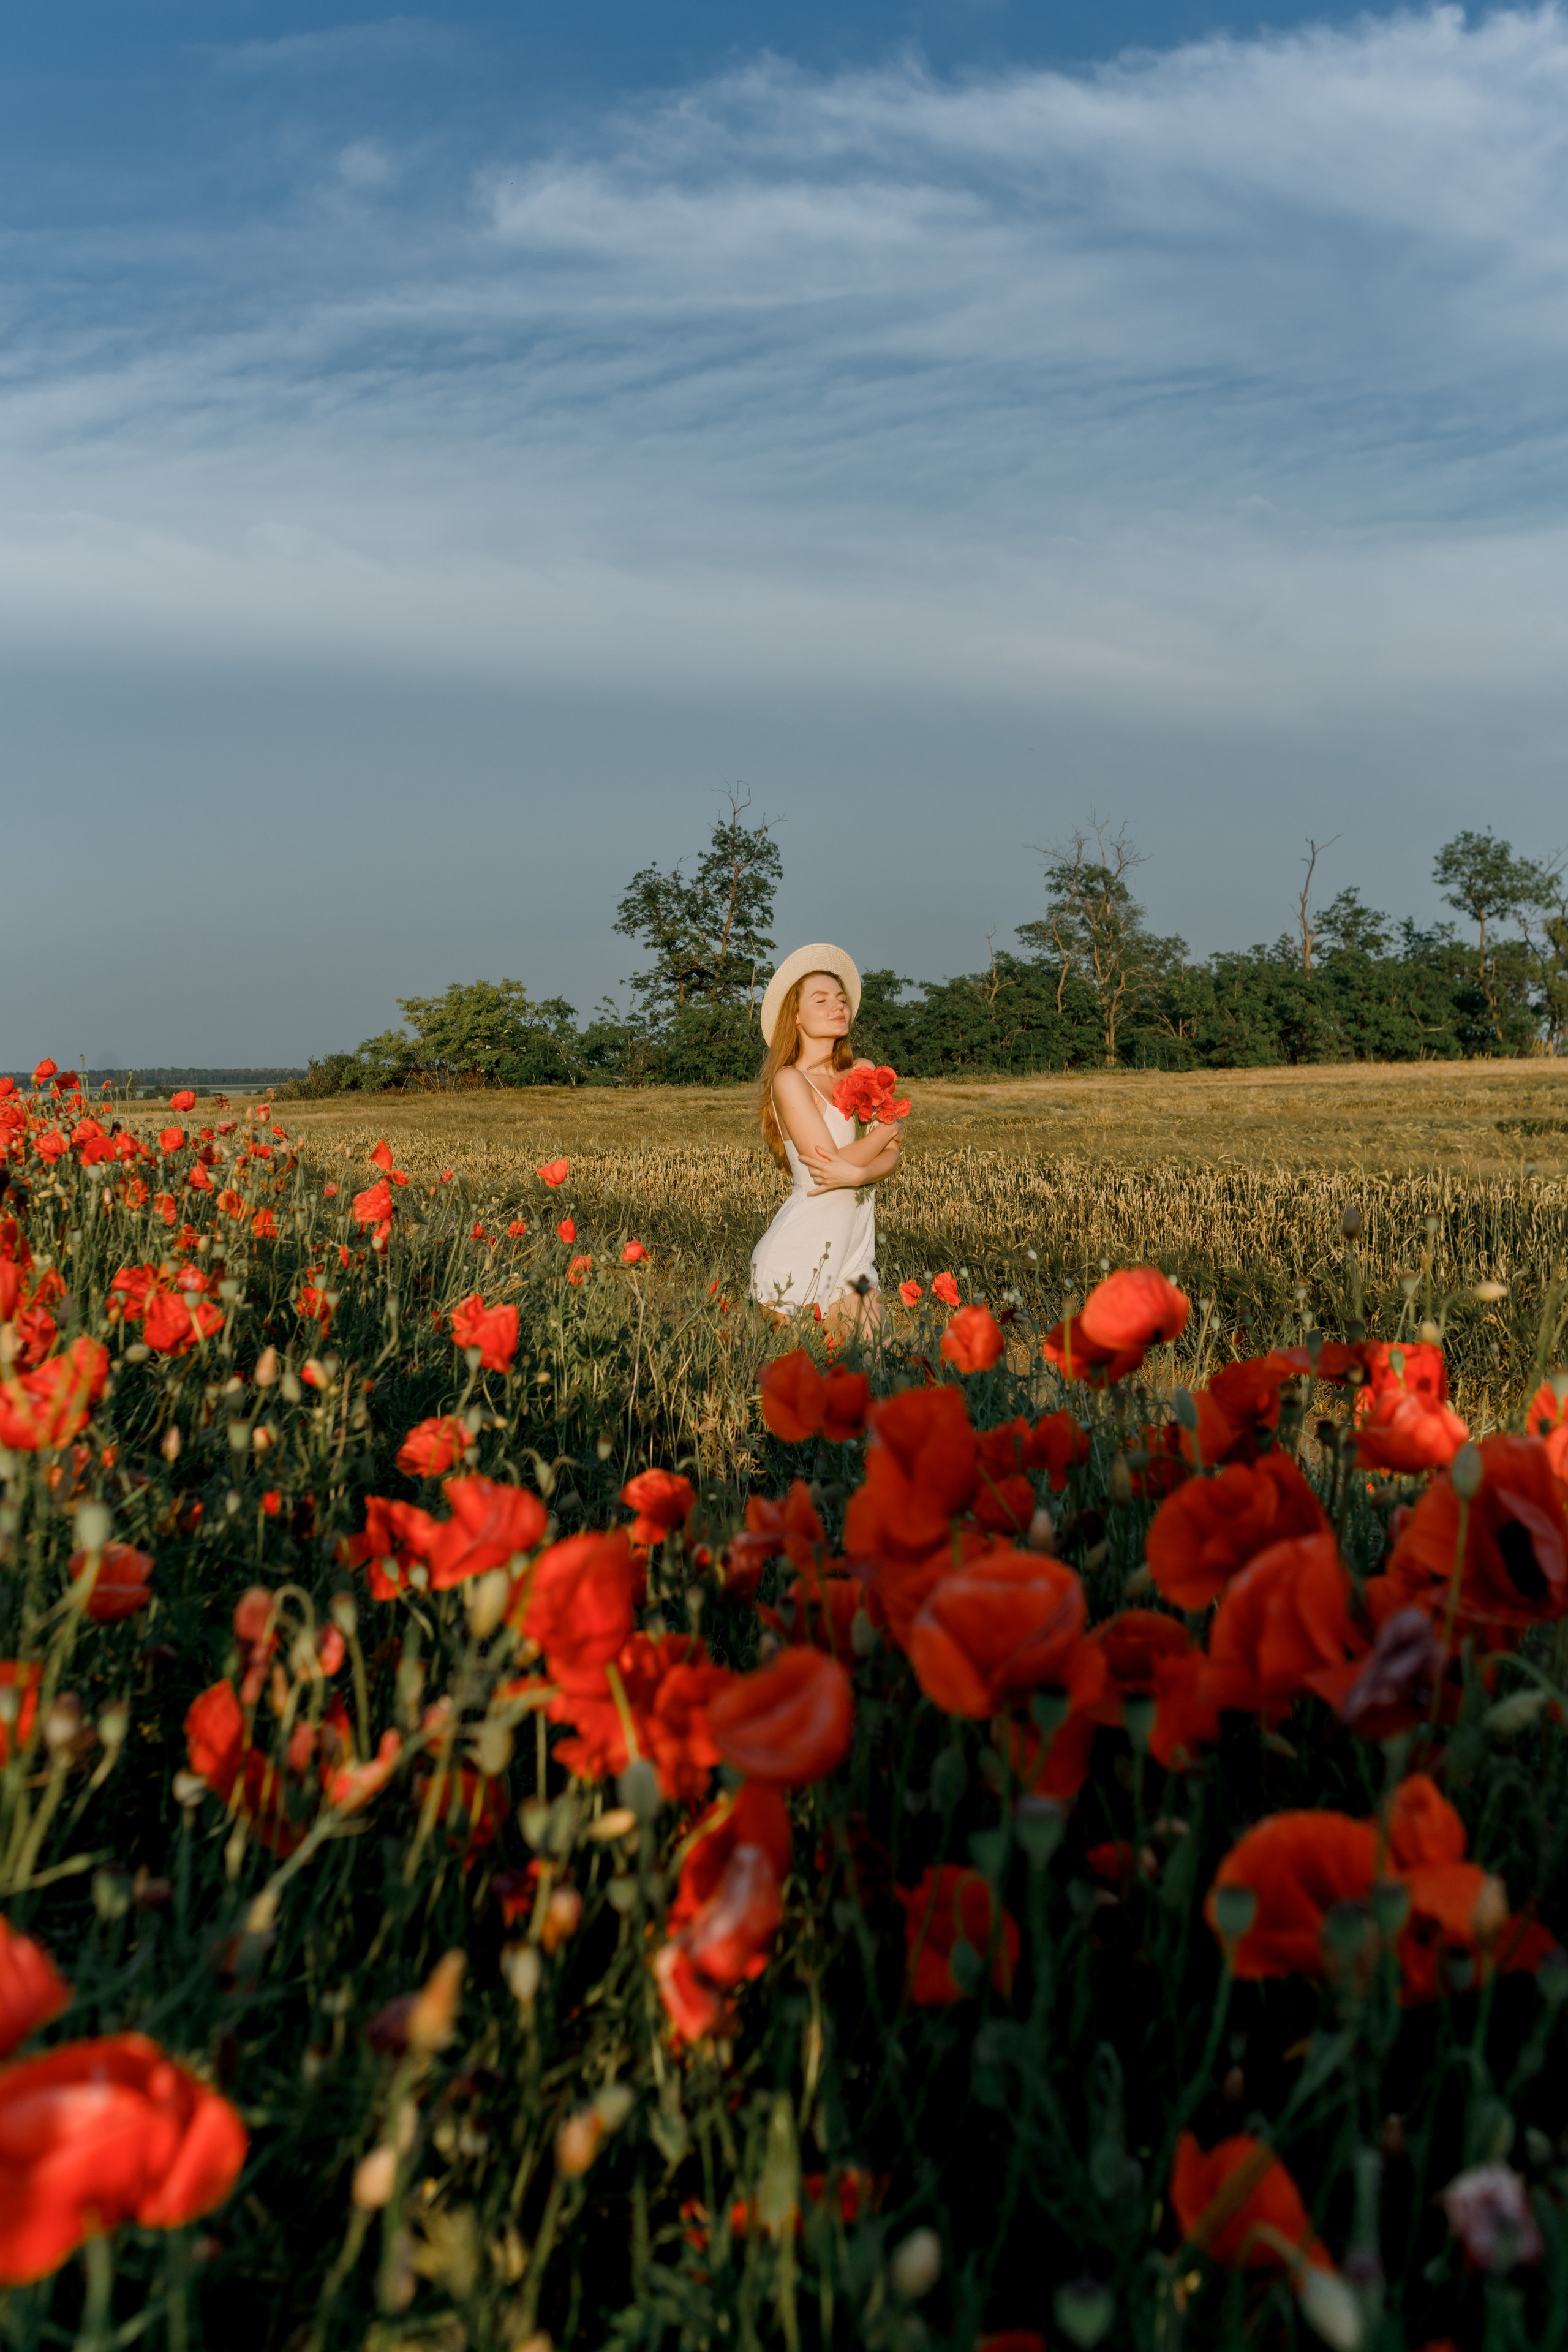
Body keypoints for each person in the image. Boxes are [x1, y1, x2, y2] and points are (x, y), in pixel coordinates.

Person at [749, 943, 902, 1327]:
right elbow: (828, 1165)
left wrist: (861, 1174)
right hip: (796, 1257)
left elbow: (892, 1155)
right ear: (796, 1016)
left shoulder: (864, 1071)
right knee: (793, 1385)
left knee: (874, 1381)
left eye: (842, 999)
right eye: (821, 1000)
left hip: (855, 1258)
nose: (839, 1007)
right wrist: (890, 1128)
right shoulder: (789, 1080)